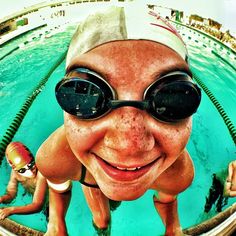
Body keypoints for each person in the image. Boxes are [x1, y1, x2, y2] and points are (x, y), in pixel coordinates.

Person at [36, 5, 202, 236]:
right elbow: (58, 190)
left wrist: (173, 227)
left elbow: (167, 201)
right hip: (85, 173)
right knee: (102, 220)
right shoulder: (55, 158)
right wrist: (56, 224)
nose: (128, 146)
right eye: (85, 94)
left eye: (173, 98)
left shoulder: (178, 174)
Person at [0, 142, 48, 220]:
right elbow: (11, 195)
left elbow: (37, 206)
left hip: (49, 199)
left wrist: (11, 210)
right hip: (34, 196)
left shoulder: (41, 173)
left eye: (31, 165)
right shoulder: (15, 174)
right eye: (22, 170)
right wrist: (2, 199)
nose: (30, 171)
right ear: (15, 169)